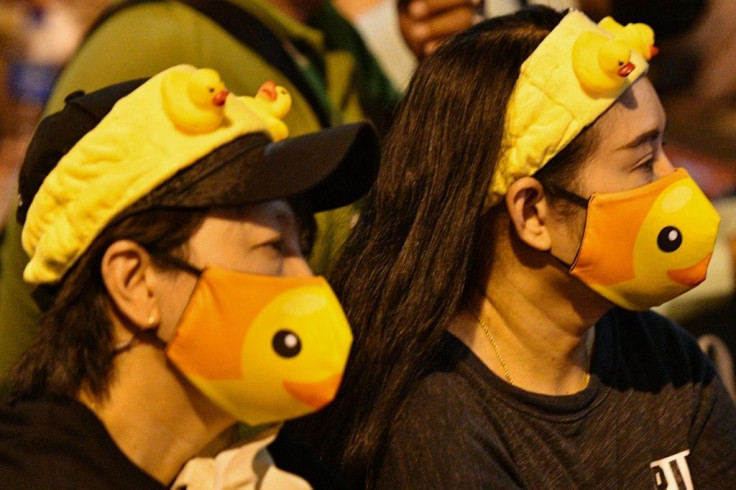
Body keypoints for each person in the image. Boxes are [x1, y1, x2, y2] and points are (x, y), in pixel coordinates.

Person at [289, 6, 736, 488]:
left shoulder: (659, 353)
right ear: (532, 214)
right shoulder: (436, 430)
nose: (676, 181)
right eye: (644, 160)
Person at [0, 0, 478, 393]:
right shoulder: (157, 38)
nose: (300, 270)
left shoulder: (334, 39)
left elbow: (420, 196)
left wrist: (451, 66)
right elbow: (40, 288)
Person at [0, 64, 379, 488]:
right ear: (135, 282)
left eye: (302, 248)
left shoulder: (274, 470)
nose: (307, 279)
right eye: (273, 247)